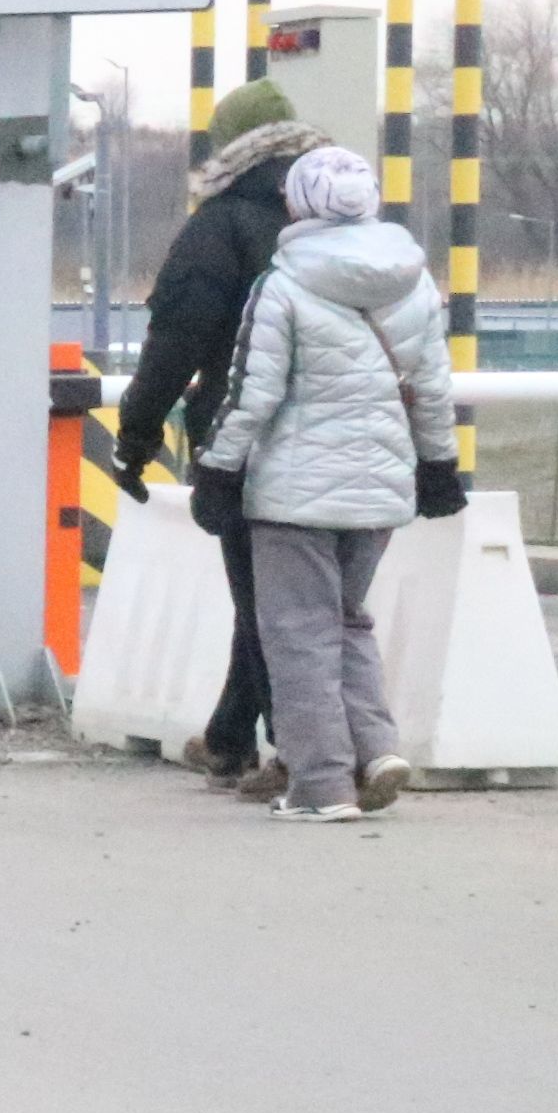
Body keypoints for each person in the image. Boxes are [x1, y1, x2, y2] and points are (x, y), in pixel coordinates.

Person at [191, 143, 464, 823]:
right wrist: (438, 469)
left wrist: (218, 469)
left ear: (299, 204)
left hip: (293, 495)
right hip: (380, 491)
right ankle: (376, 748)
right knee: (348, 621)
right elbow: (432, 391)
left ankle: (321, 785)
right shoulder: (416, 283)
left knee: (297, 634)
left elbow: (251, 394)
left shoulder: (281, 285)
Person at [115, 82, 331, 791]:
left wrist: (138, 430)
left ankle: (298, 758)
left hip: (247, 435)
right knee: (291, 593)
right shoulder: (338, 220)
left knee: (263, 594)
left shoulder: (222, 225)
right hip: (344, 433)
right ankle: (230, 737)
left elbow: (178, 337)